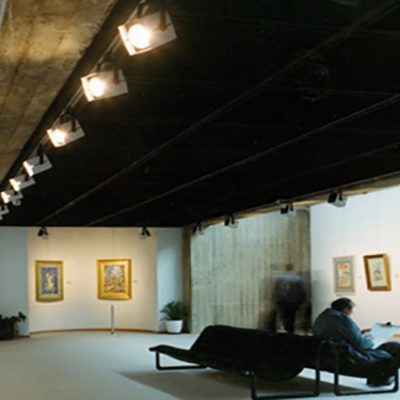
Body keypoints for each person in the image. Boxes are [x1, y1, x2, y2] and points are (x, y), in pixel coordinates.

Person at [313, 297, 400, 386]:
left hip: (329, 354)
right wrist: (371, 340)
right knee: (396, 347)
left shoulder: (322, 317)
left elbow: (337, 334)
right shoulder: (343, 319)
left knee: (392, 346)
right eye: (351, 309)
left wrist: (359, 333)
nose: (352, 312)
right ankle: (381, 377)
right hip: (350, 357)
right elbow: (361, 344)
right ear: (346, 309)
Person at [267, 263, 307, 333]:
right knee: (291, 317)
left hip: (282, 301)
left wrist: (275, 299)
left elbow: (276, 289)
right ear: (293, 268)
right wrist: (302, 302)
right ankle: (290, 330)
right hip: (292, 302)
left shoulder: (280, 278)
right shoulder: (298, 278)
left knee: (284, 317)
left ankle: (287, 329)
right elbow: (302, 291)